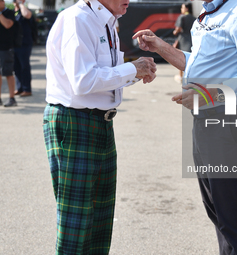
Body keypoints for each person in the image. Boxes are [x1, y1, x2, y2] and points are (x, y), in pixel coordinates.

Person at [133, 0, 237, 254]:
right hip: (209, 120)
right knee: (220, 214)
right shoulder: (209, 10)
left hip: (232, 119)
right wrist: (161, 46)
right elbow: (201, 65)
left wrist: (208, 95)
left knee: (235, 217)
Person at [43, 0, 156, 253]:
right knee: (77, 221)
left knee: (100, 220)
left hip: (98, 122)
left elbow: (103, 76)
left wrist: (137, 72)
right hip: (75, 121)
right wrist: (131, 68)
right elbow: (82, 81)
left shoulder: (107, 21)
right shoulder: (78, 19)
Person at [0, 0, 17, 107]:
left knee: (8, 73)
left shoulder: (9, 13)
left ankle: (12, 98)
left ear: (3, 2)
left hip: (5, 48)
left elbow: (8, 24)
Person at [13, 0, 33, 97]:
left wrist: (21, 4)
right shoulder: (13, 12)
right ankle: (19, 88)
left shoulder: (24, 10)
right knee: (16, 67)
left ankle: (27, 89)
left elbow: (27, 15)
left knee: (24, 66)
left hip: (24, 44)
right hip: (14, 44)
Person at [173, 3, 195, 83]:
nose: (181, 9)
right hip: (192, 40)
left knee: (181, 58)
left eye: (182, 8)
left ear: (186, 9)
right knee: (190, 59)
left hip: (183, 40)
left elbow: (178, 29)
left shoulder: (182, 17)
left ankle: (181, 76)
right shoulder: (194, 18)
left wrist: (175, 32)